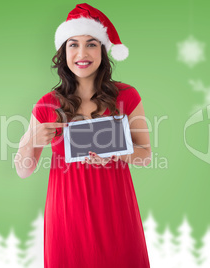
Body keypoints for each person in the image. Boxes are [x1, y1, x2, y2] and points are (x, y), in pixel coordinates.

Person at [15, 3, 151, 268]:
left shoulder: (126, 97)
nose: (82, 53)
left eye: (91, 44)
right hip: (66, 215)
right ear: (63, 52)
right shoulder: (47, 105)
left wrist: (118, 152)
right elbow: (23, 170)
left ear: (102, 50)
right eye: (73, 44)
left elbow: (145, 156)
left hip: (116, 212)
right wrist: (29, 142)